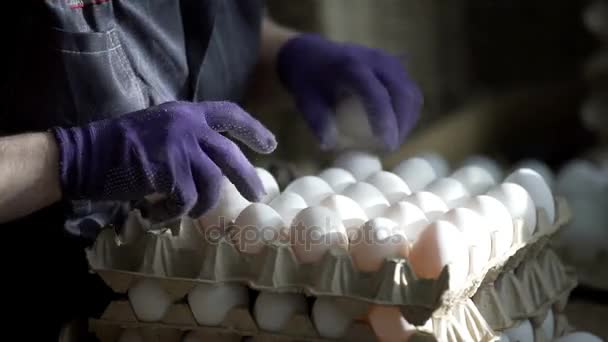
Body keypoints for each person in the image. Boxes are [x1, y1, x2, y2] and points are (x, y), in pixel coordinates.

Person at [3, 1, 422, 338]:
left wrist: (285, 53)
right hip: (50, 298)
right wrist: (76, 157)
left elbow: (197, 38)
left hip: (205, 283)